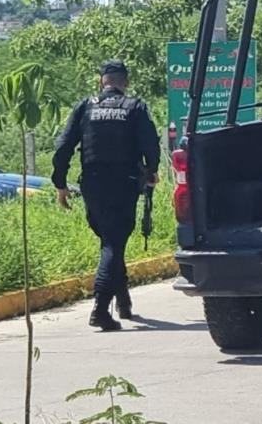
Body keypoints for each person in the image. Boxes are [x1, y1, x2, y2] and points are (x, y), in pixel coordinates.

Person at [52, 61, 160, 331]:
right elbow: (151, 145)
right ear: (125, 82)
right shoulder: (135, 107)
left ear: (103, 81)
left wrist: (60, 183)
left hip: (92, 184)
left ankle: (123, 303)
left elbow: (63, 146)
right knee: (113, 243)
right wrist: (152, 171)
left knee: (111, 239)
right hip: (124, 183)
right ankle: (101, 309)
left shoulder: (85, 106)